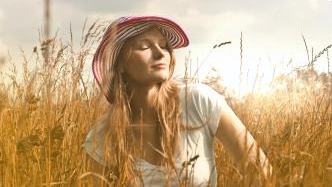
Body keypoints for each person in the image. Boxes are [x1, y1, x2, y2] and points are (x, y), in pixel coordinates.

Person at [83, 16, 272, 186]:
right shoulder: (104, 135)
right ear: (121, 64)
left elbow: (262, 173)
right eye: (145, 46)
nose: (160, 53)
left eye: (164, 45)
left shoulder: (198, 101)